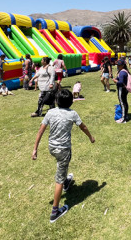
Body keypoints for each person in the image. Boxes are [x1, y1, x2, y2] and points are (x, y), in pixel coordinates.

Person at [31, 89, 95, 223]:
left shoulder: (50, 112)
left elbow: (40, 130)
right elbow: (83, 127)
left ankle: (66, 181)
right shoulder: (72, 114)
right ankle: (55, 211)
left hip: (52, 148)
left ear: (56, 101)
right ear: (71, 102)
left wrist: (35, 149)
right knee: (59, 176)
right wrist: (91, 137)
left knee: (62, 165)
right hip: (63, 149)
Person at [113, 59, 129, 123]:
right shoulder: (124, 71)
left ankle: (123, 119)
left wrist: (116, 81)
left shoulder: (122, 72)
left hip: (121, 89)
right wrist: (117, 79)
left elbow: (120, 82)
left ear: (122, 65)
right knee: (125, 102)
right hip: (125, 89)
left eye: (119, 65)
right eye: (117, 65)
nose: (118, 66)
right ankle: (125, 115)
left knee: (122, 103)